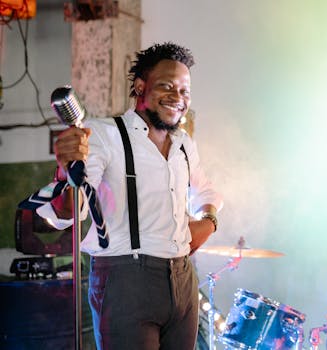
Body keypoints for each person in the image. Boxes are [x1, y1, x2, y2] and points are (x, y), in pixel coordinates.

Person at [43, 42, 223, 349]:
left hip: (182, 280)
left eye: (185, 90)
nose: (177, 98)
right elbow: (70, 211)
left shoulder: (183, 144)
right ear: (141, 87)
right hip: (126, 280)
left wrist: (208, 221)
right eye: (167, 86)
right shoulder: (103, 135)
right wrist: (64, 172)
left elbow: (206, 190)